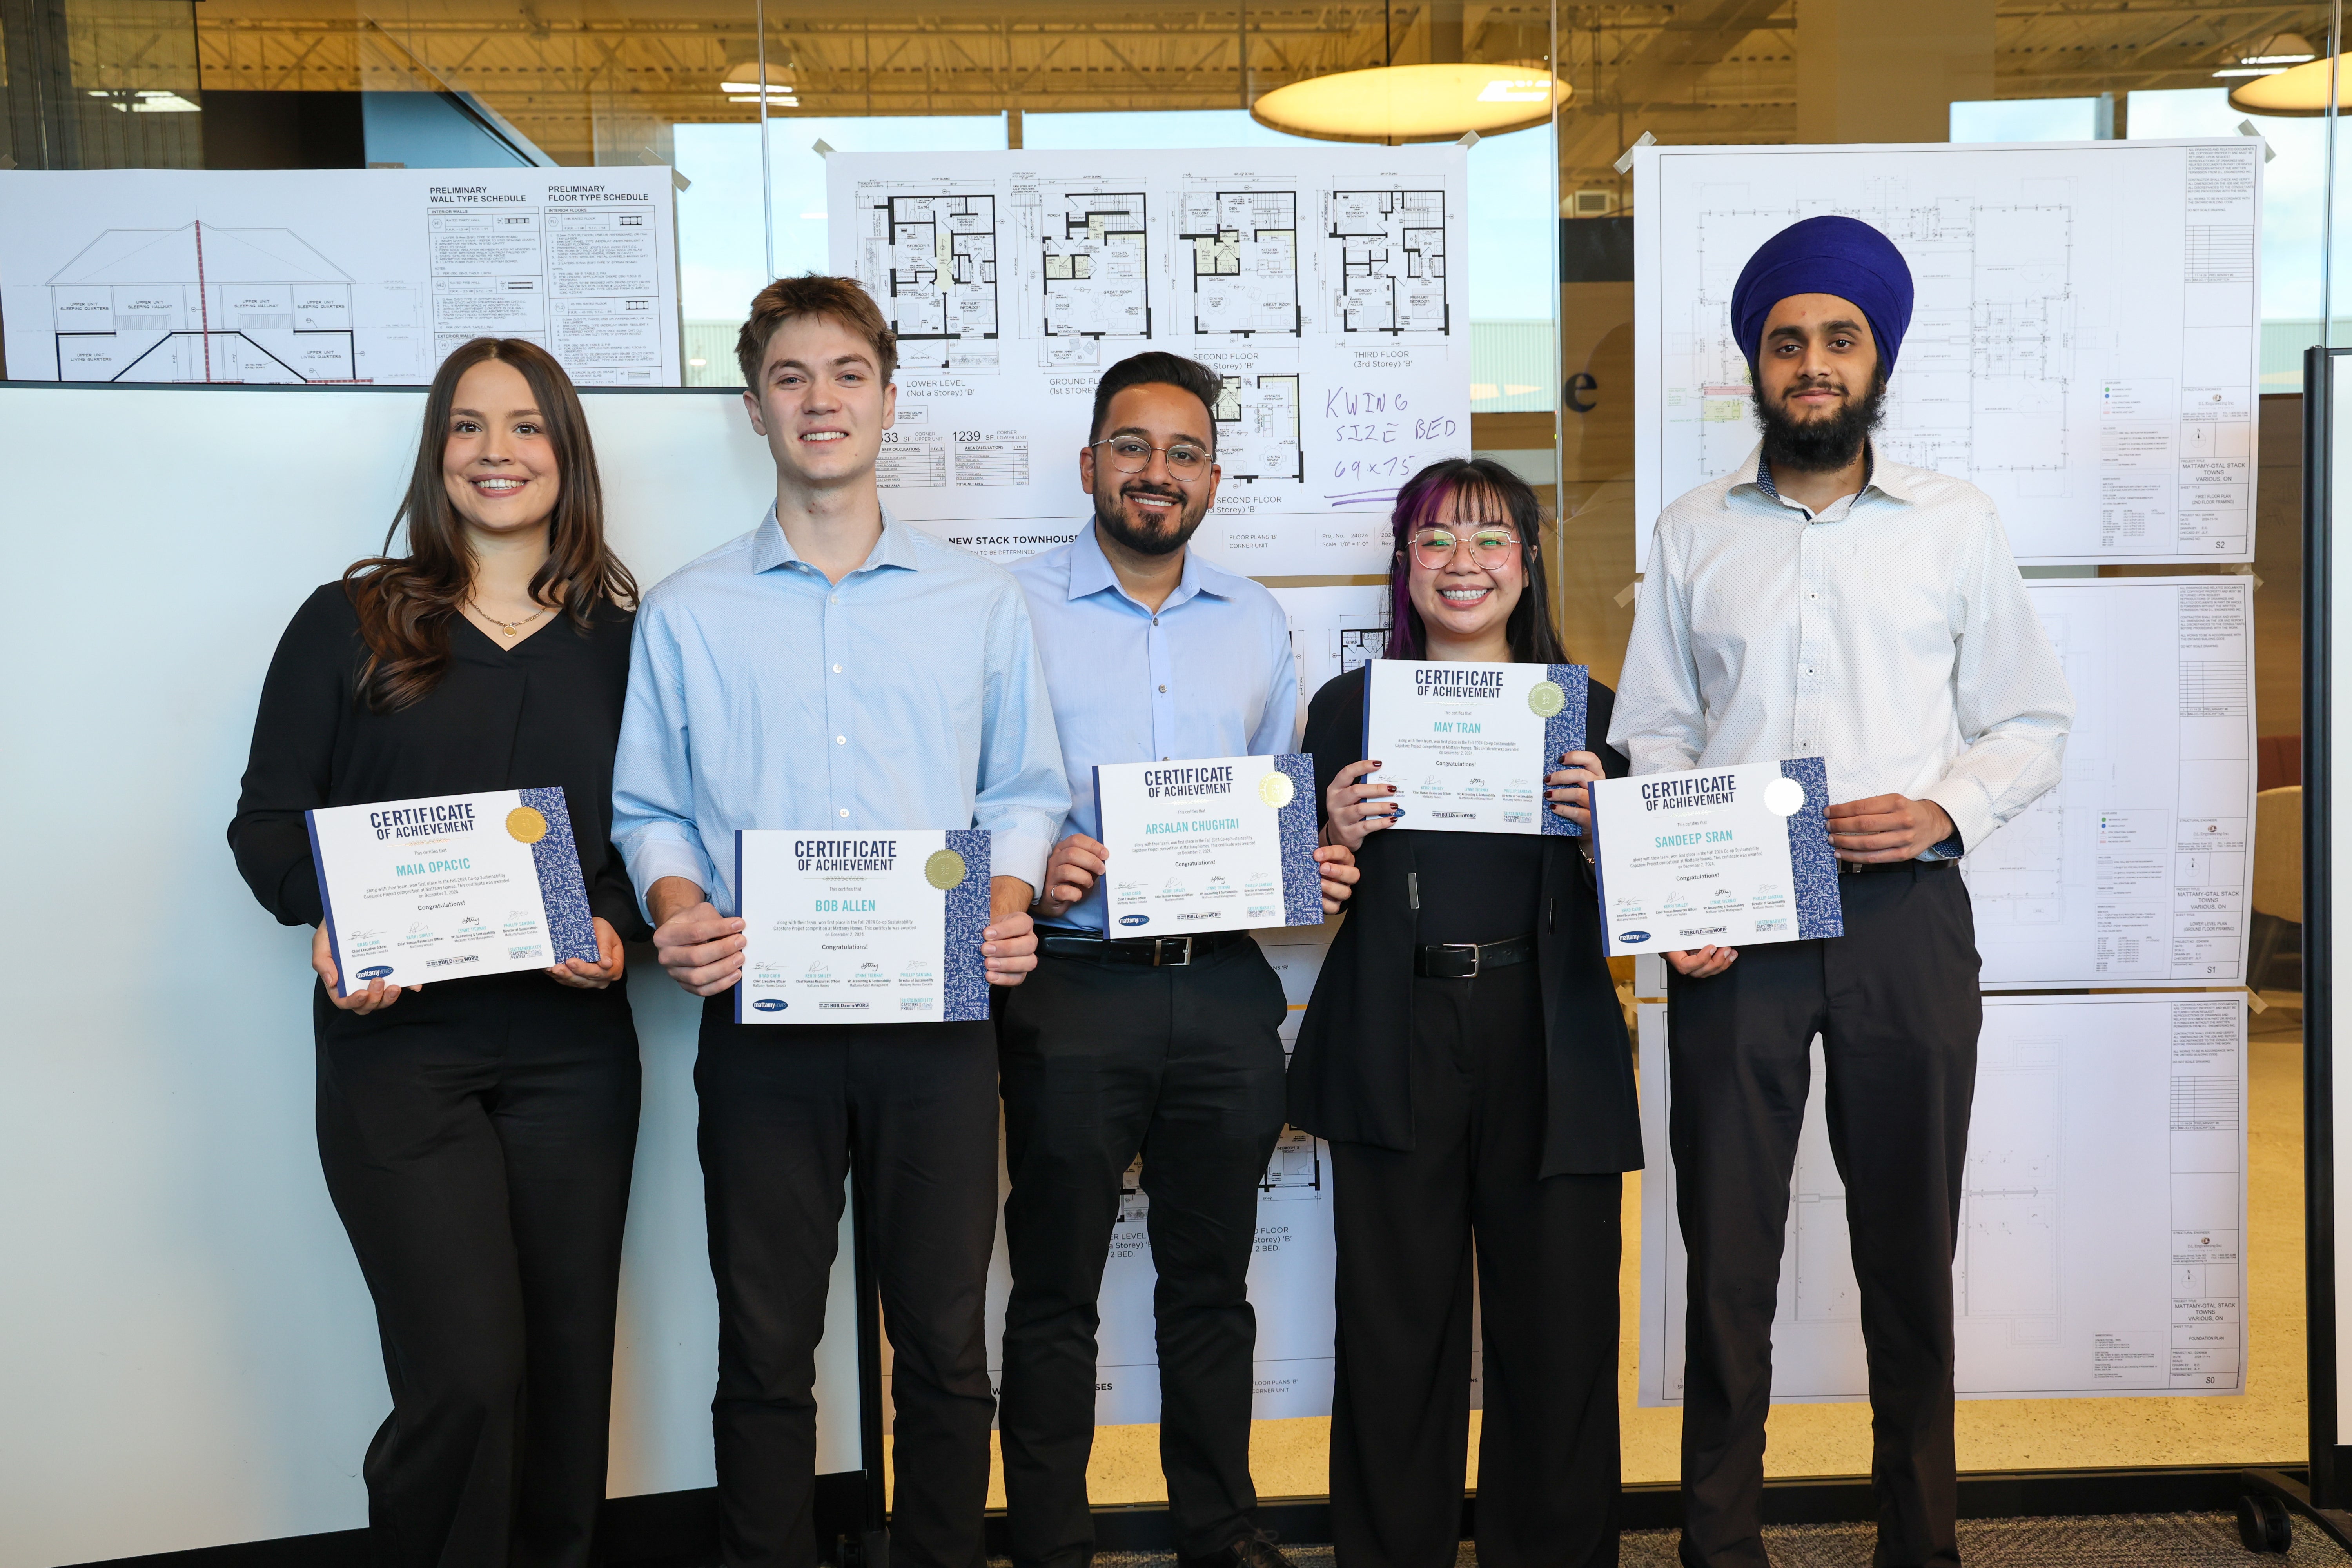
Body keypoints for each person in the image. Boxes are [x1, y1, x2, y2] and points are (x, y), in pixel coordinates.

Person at [1611, 215, 2074, 1568]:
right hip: (1737, 930)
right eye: (1787, 341)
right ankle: (1719, 1545)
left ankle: (1918, 1544)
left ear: (1879, 360)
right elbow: (1657, 730)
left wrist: (1944, 807)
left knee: (1907, 1254)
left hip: (1907, 919)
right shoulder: (1695, 530)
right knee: (1728, 1261)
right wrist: (1684, 898)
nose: (1812, 364)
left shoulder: (1956, 526)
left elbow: (2033, 722)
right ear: (1755, 364)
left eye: (1839, 340)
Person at [610, 274, 1065, 1568]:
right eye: (792, 378)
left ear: (888, 397)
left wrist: (1014, 904)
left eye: (847, 374)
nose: (822, 401)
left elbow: (1022, 790)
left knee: (940, 1344)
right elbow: (651, 807)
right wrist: (681, 908)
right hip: (763, 1024)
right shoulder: (690, 610)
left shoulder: (976, 604)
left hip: (936, 1026)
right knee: (763, 1346)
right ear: (755, 408)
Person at [227, 338, 644, 1568]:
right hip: (399, 1052)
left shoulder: (623, 640)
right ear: (437, 452)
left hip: (573, 1052)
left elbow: (650, 831)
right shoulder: (348, 619)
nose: (498, 453)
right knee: (464, 1371)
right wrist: (329, 916)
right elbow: (266, 821)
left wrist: (617, 928)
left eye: (526, 427)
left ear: (566, 451)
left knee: (570, 1364)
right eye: (469, 427)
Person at [998, 351, 1361, 1568]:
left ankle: (1223, 1534)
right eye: (1133, 446)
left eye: (1185, 452)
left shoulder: (1256, 621)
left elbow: (1274, 808)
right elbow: (972, 787)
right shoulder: (1008, 611)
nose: (1158, 473)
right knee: (1054, 1290)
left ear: (1214, 476)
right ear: (1091, 461)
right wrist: (1029, 860)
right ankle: (1052, 1543)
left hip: (1219, 992)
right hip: (1068, 989)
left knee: (1211, 1286)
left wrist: (1310, 859)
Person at [1293, 457, 1641, 1568]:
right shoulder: (1348, 708)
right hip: (1399, 1033)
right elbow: (1306, 889)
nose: (1463, 563)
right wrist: (1330, 837)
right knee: (1397, 1337)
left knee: (1563, 1333)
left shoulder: (1586, 708)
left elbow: (1650, 893)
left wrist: (1606, 829)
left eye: (1490, 539)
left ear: (1528, 563)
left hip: (1554, 1040)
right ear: (1405, 562)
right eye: (1436, 539)